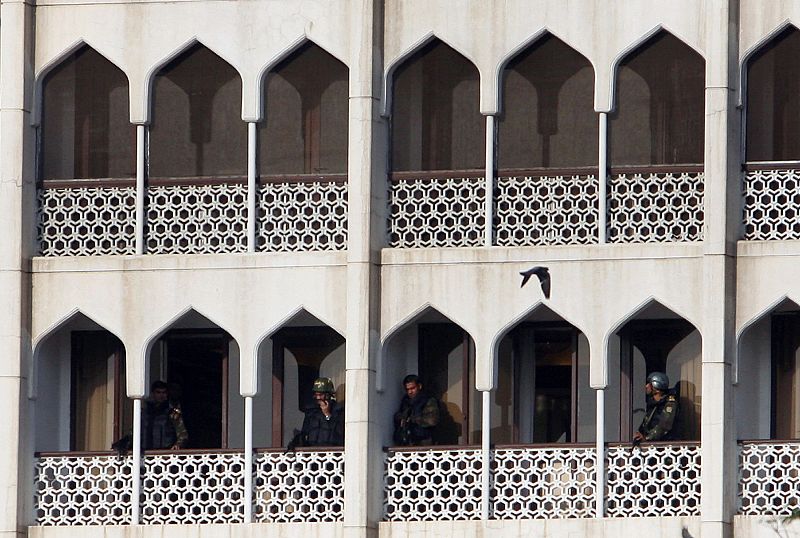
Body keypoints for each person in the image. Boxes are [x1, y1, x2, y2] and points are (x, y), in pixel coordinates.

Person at [288, 377, 344, 449]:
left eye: (320, 395)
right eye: (316, 394)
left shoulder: (338, 410)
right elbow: (305, 431)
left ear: (328, 395)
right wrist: (296, 441)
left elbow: (338, 432)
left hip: (331, 451)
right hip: (312, 452)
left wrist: (327, 414)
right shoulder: (311, 411)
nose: (318, 398)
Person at [393, 374, 440, 446]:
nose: (410, 392)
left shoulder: (428, 400)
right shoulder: (405, 401)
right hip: (407, 441)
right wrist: (402, 418)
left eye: (412, 388)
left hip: (424, 441)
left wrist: (413, 419)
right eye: (407, 389)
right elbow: (399, 416)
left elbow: (432, 420)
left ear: (419, 386)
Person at [634, 371, 679, 444]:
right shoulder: (653, 404)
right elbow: (646, 423)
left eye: (649, 384)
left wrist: (647, 438)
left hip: (664, 445)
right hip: (651, 446)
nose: (646, 386)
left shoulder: (670, 404)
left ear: (656, 387)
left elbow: (664, 426)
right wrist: (639, 434)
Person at [142, 380, 188, 450]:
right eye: (158, 392)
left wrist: (178, 444)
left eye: (164, 392)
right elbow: (134, 433)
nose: (161, 395)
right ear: (153, 394)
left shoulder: (172, 413)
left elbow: (183, 434)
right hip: (146, 453)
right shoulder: (144, 414)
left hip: (166, 453)